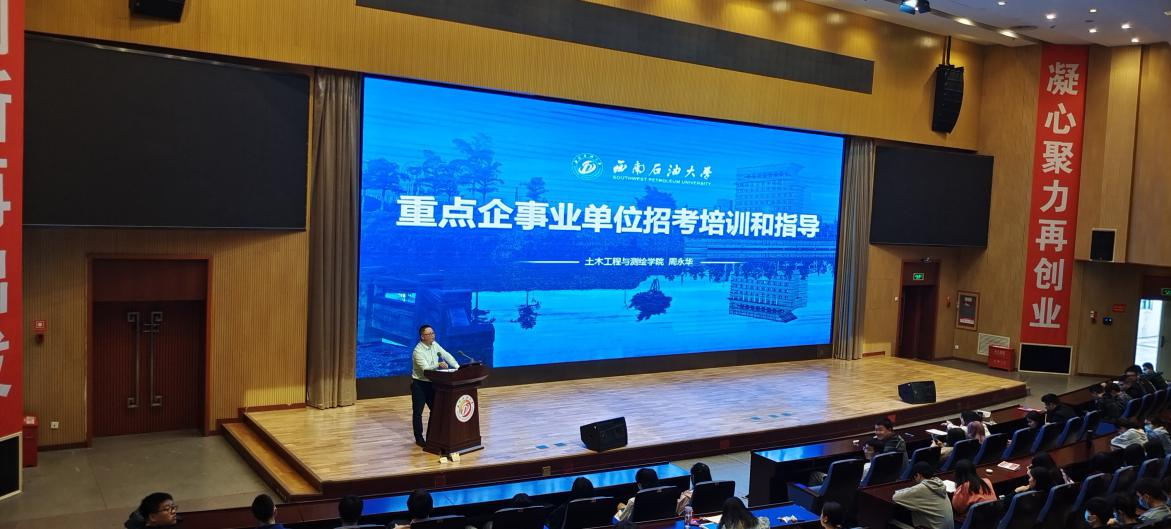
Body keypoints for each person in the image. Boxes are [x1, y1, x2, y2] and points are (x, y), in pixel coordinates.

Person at [410, 324, 459, 447]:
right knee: (418, 413)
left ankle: (432, 435)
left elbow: (446, 355)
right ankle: (419, 438)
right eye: (429, 334)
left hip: (432, 384)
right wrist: (438, 365)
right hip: (419, 385)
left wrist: (458, 367)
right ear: (422, 337)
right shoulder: (417, 351)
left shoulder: (435, 345)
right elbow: (426, 369)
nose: (432, 335)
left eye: (433, 333)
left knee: (436, 410)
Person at [891, 462, 954, 529]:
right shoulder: (939, 484)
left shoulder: (922, 488)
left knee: (896, 514)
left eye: (914, 477)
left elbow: (896, 497)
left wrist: (906, 490)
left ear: (918, 475)